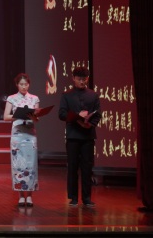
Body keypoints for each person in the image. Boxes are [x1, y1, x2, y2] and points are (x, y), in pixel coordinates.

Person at [58, 66, 100, 207]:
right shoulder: (67, 95)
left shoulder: (93, 95)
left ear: (87, 79)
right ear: (73, 79)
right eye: (79, 79)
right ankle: (73, 197)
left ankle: (87, 198)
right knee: (73, 167)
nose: (82, 81)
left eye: (84, 79)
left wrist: (90, 124)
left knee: (87, 167)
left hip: (88, 135)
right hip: (73, 136)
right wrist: (77, 116)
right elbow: (62, 114)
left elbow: (98, 114)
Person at [3, 72, 40, 207]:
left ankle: (29, 195)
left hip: (30, 134)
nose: (24, 86)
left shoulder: (34, 98)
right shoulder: (12, 98)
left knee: (31, 165)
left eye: (26, 84)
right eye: (21, 84)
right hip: (18, 135)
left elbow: (37, 118)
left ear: (29, 84)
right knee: (18, 165)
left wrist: (33, 116)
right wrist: (18, 115)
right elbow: (5, 117)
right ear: (17, 85)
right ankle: (20, 195)